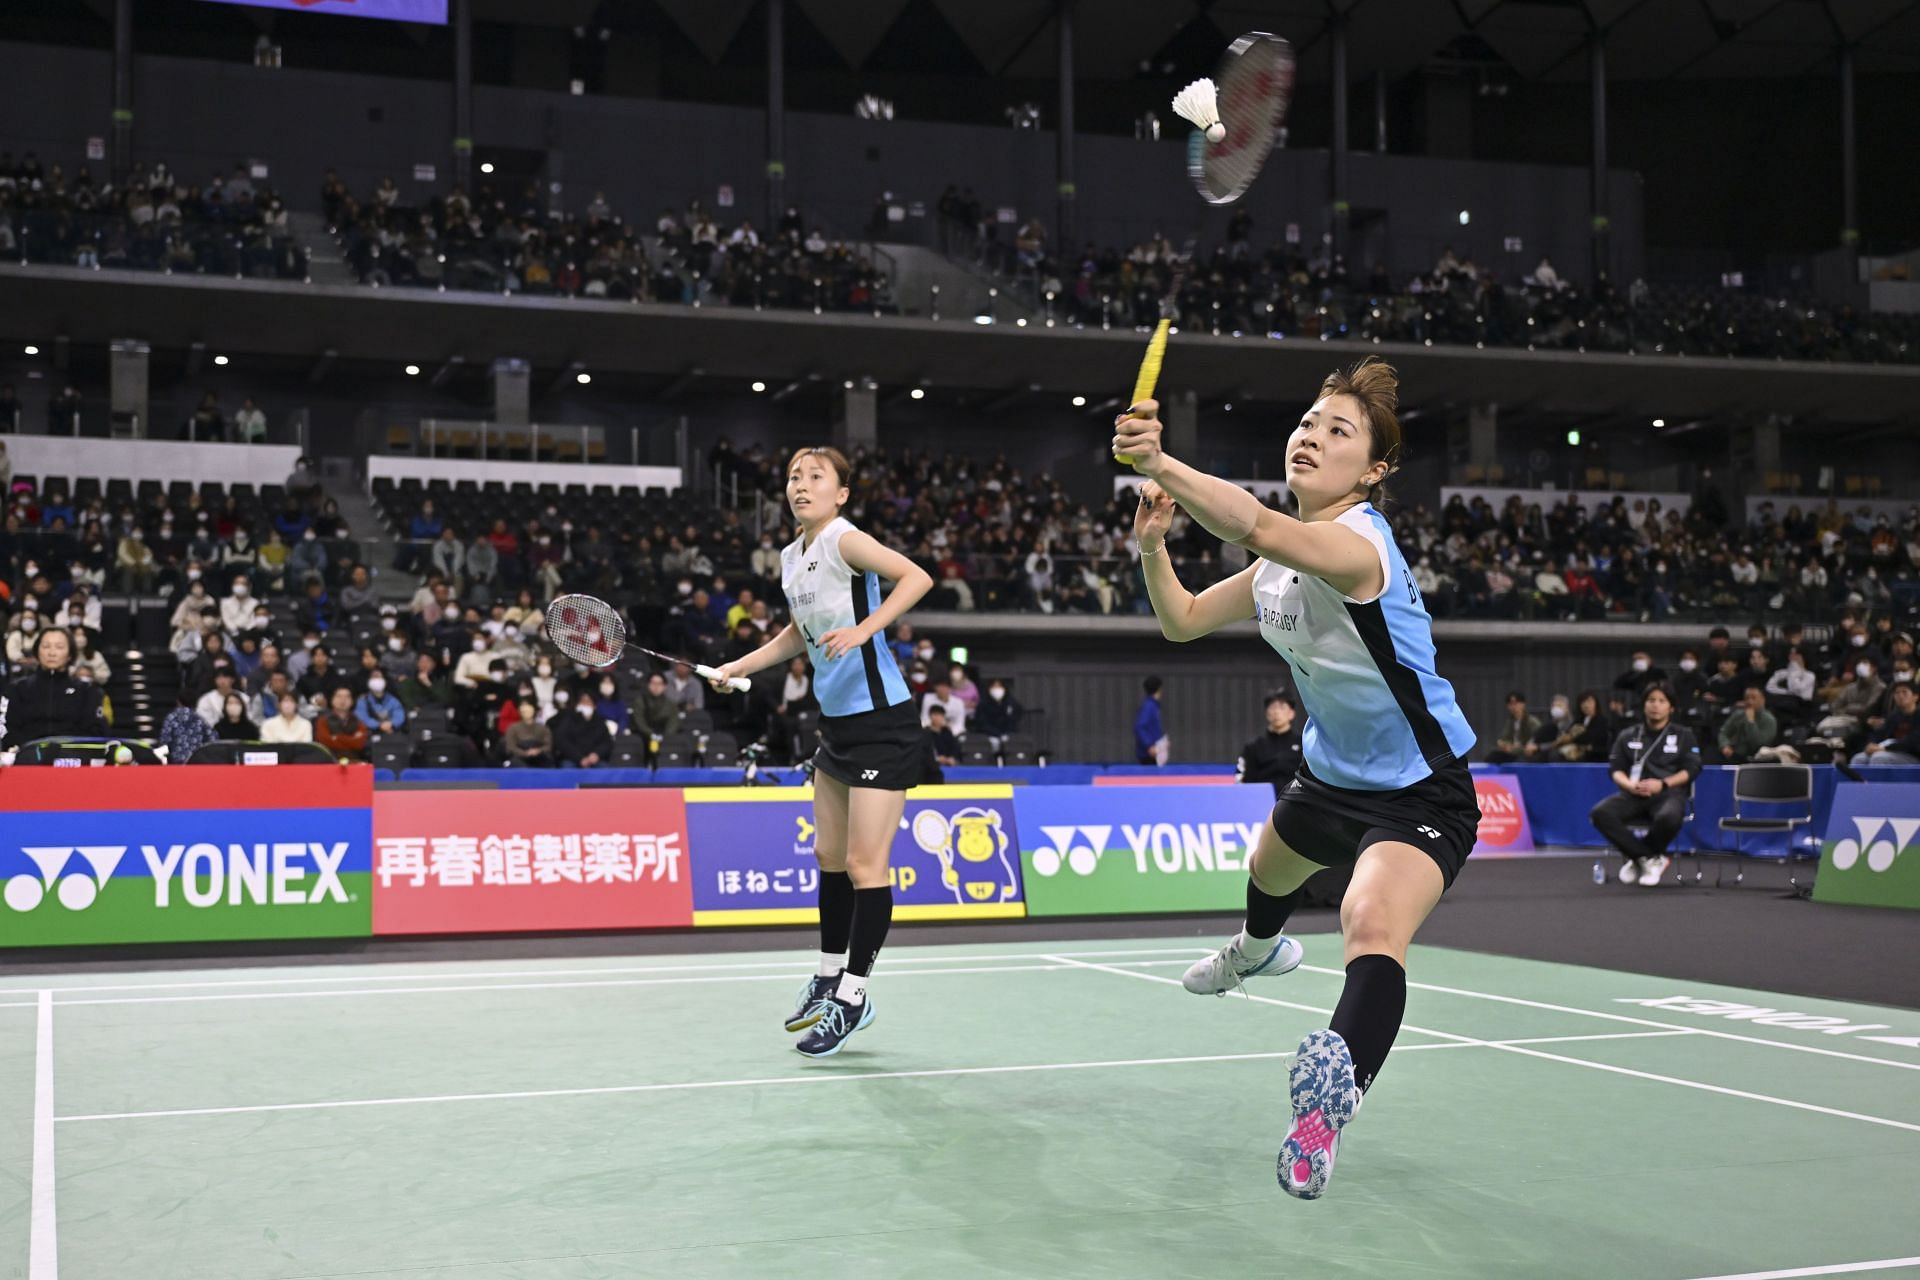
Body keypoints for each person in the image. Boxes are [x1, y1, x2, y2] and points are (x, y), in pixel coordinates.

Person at [1114, 356, 1480, 1200]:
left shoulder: (1357, 549)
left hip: (1420, 786)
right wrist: (1151, 546)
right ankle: (1255, 951)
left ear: (1375, 470)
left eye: (1338, 432)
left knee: (1368, 917)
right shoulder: (1277, 566)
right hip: (1328, 775)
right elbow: (1184, 621)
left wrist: (1163, 462)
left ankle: (1323, 1117)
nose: (1312, 437)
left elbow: (1259, 526)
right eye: (1309, 423)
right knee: (1267, 871)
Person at [709, 446, 933, 1059]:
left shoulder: (844, 539)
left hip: (883, 724)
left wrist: (867, 628)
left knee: (866, 865)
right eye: (793, 477)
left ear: (841, 495)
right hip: (836, 728)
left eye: (816, 478)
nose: (801, 486)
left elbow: (917, 576)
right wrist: (739, 665)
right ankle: (830, 974)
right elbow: (795, 633)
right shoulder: (791, 557)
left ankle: (855, 998)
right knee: (828, 855)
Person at [1589, 685, 1701, 888]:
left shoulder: (1684, 734)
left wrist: (1663, 784)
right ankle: (1647, 858)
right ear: (1644, 706)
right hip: (1634, 793)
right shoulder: (1628, 734)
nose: (1655, 705)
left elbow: (1692, 769)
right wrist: (1629, 785)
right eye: (1651, 700)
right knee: (1600, 813)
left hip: (1668, 793)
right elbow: (1616, 768)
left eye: (1661, 701)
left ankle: (1638, 859)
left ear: (1671, 708)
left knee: (1669, 816)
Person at [1, 627, 108, 748]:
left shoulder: (87, 691)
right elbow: (8, 730)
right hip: (28, 758)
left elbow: (95, 731)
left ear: (70, 655)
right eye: (46, 646)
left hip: (74, 758)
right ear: (37, 652)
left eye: (59, 647)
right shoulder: (17, 689)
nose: (51, 653)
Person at [1238, 693, 1304, 796]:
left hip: (1295, 801)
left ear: (1291, 713)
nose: (1276, 712)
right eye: (1273, 708)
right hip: (1262, 801)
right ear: (1267, 713)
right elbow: (1243, 780)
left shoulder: (1303, 744)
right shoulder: (1254, 746)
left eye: (1282, 708)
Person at [1851, 681, 1920, 766]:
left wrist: (1884, 748)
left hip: (1912, 755)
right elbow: (1879, 733)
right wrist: (1871, 744)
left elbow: (1912, 741)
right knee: (1859, 758)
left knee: (1879, 758)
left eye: (1904, 692)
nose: (1900, 696)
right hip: (1889, 751)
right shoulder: (1894, 716)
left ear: (1915, 697)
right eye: (1897, 693)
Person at [1718, 685, 1778, 763]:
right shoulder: (1738, 714)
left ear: (1762, 700)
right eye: (1747, 698)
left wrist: (1750, 721)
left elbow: (1758, 744)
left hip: (1756, 758)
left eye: (1753, 698)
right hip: (1733, 754)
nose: (1749, 701)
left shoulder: (1769, 720)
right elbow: (1724, 732)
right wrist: (1724, 745)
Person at [552, 690, 612, 767]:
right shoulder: (569, 720)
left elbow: (607, 742)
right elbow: (561, 740)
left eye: (588, 702)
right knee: (567, 768)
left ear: (594, 706)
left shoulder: (600, 722)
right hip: (573, 758)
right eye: (582, 702)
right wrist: (579, 758)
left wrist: (597, 754)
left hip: (594, 759)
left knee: (604, 769)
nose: (585, 705)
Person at [315, 686, 370, 761]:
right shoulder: (323, 719)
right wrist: (352, 739)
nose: (343, 700)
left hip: (354, 761)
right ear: (332, 699)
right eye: (339, 696)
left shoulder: (358, 720)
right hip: (329, 761)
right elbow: (324, 742)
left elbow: (360, 743)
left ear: (352, 701)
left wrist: (336, 738)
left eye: (347, 697)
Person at [1485, 691, 1538, 764]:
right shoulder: (1510, 722)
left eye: (1516, 703)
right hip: (1512, 752)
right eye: (1510, 704)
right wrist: (1503, 743)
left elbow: (1536, 739)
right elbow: (1504, 738)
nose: (1513, 707)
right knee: (1491, 758)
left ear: (1523, 704)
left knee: (1519, 761)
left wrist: (1519, 747)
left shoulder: (1532, 721)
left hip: (1525, 752)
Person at [1134, 675, 1168, 765]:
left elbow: (1153, 729)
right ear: (1159, 689)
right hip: (1149, 754)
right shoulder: (1149, 706)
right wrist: (1149, 745)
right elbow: (1139, 727)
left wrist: (1162, 743)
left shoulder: (1153, 706)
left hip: (1155, 751)